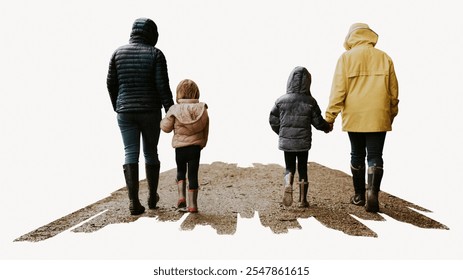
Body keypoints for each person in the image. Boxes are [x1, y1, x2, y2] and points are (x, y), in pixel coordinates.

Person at [325, 23, 399, 212]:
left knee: (357, 154)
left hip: (355, 116)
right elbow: (393, 92)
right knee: (375, 156)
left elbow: (338, 91)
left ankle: (359, 195)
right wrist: (390, 113)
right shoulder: (384, 57)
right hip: (378, 115)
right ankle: (372, 193)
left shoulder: (346, 58)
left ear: (350, 37)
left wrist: (330, 117)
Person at [106, 18, 174, 215]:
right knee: (151, 152)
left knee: (130, 152)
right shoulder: (156, 54)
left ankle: (133, 202)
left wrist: (118, 106)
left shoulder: (117, 53)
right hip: (150, 111)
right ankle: (152, 196)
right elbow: (163, 87)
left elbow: (111, 84)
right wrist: (171, 112)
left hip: (125, 112)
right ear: (152, 34)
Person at [269, 66, 331, 208]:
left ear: (290, 81)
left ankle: (288, 182)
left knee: (289, 166)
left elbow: (273, 119)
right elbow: (317, 122)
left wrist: (283, 133)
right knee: (303, 167)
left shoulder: (281, 101)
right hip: (303, 142)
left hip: (287, 141)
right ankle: (303, 200)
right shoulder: (310, 101)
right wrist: (327, 127)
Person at [161, 79, 209, 213]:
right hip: (195, 148)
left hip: (180, 148)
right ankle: (193, 205)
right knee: (193, 175)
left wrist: (163, 121)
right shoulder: (201, 109)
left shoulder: (174, 109)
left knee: (181, 171)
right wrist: (202, 143)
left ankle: (181, 197)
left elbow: (166, 128)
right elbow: (206, 128)